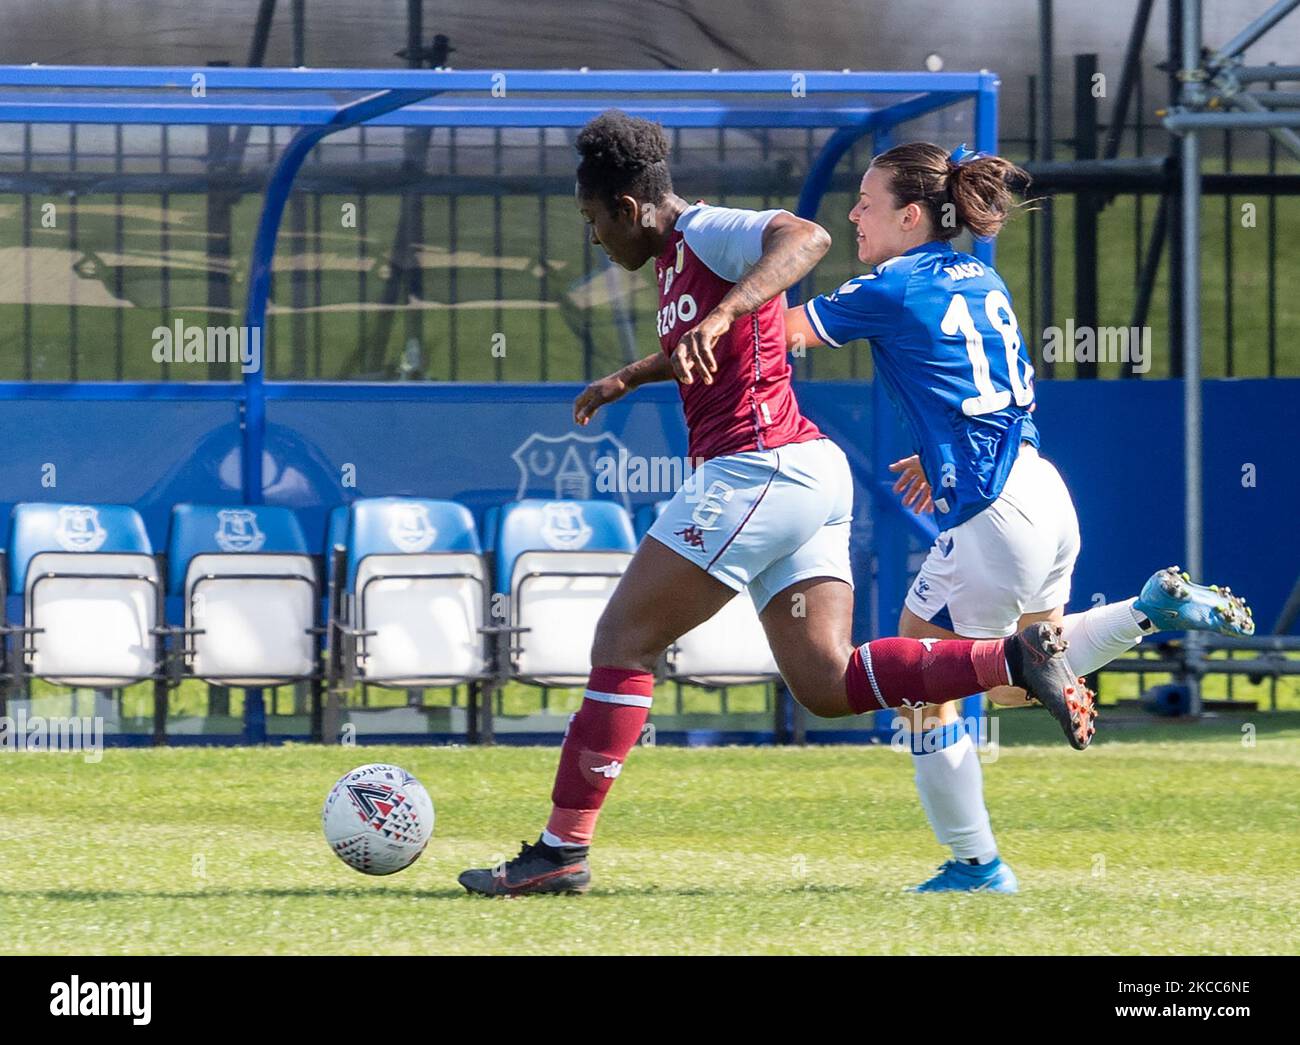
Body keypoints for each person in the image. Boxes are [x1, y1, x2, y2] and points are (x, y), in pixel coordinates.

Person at [458, 114, 1095, 897]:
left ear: (627, 209)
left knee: (622, 639)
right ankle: (1014, 660)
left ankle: (560, 849)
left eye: (592, 221)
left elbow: (806, 239)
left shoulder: (706, 230)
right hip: (808, 473)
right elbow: (724, 341)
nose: (593, 239)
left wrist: (726, 311)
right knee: (825, 684)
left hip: (758, 468)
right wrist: (634, 374)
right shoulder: (679, 262)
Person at [777, 141, 1254, 893]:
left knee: (921, 685)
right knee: (1011, 677)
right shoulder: (981, 273)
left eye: (865, 203)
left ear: (909, 215)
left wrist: (718, 297)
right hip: (1042, 490)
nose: (851, 214)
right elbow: (980, 387)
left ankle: (977, 864)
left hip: (993, 518)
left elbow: (777, 336)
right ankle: (1149, 608)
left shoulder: (892, 285)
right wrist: (935, 459)